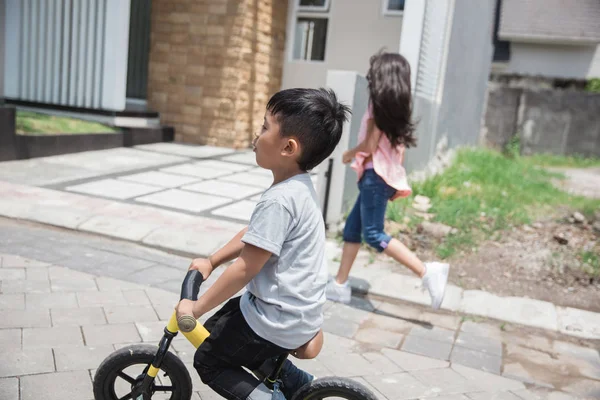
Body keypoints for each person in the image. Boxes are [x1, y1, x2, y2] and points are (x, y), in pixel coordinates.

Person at [176, 88, 351, 400]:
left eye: (264, 127)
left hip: (277, 318)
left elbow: (245, 269)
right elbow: (255, 234)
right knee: (221, 326)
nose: (256, 135)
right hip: (295, 312)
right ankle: (296, 384)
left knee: (209, 359)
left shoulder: (279, 201)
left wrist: (196, 307)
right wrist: (212, 261)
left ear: (288, 147)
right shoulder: (298, 187)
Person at [326, 51, 450, 309]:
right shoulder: (396, 112)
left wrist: (349, 153)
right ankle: (339, 285)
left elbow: (370, 146)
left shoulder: (376, 107)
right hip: (380, 178)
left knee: (372, 234)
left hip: (374, 176)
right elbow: (398, 153)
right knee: (352, 230)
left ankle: (426, 271)